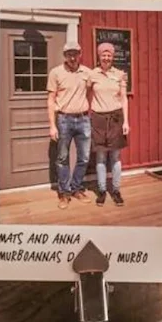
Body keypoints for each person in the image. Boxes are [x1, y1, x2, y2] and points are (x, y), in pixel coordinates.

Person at [47, 42, 93, 209]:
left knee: (84, 157)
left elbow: (93, 90)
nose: (72, 57)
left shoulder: (87, 73)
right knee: (62, 158)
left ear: (80, 54)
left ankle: (76, 188)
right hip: (63, 120)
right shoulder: (56, 73)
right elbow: (51, 100)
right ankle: (64, 193)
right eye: (69, 54)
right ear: (64, 55)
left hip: (83, 119)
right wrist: (52, 125)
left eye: (75, 54)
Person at [88, 42, 130, 206]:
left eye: (109, 55)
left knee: (115, 157)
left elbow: (124, 99)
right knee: (100, 157)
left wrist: (126, 121)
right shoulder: (92, 74)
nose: (106, 58)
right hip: (98, 118)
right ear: (99, 56)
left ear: (112, 57)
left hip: (116, 118)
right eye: (103, 55)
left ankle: (116, 190)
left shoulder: (120, 74)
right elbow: (85, 93)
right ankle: (102, 190)